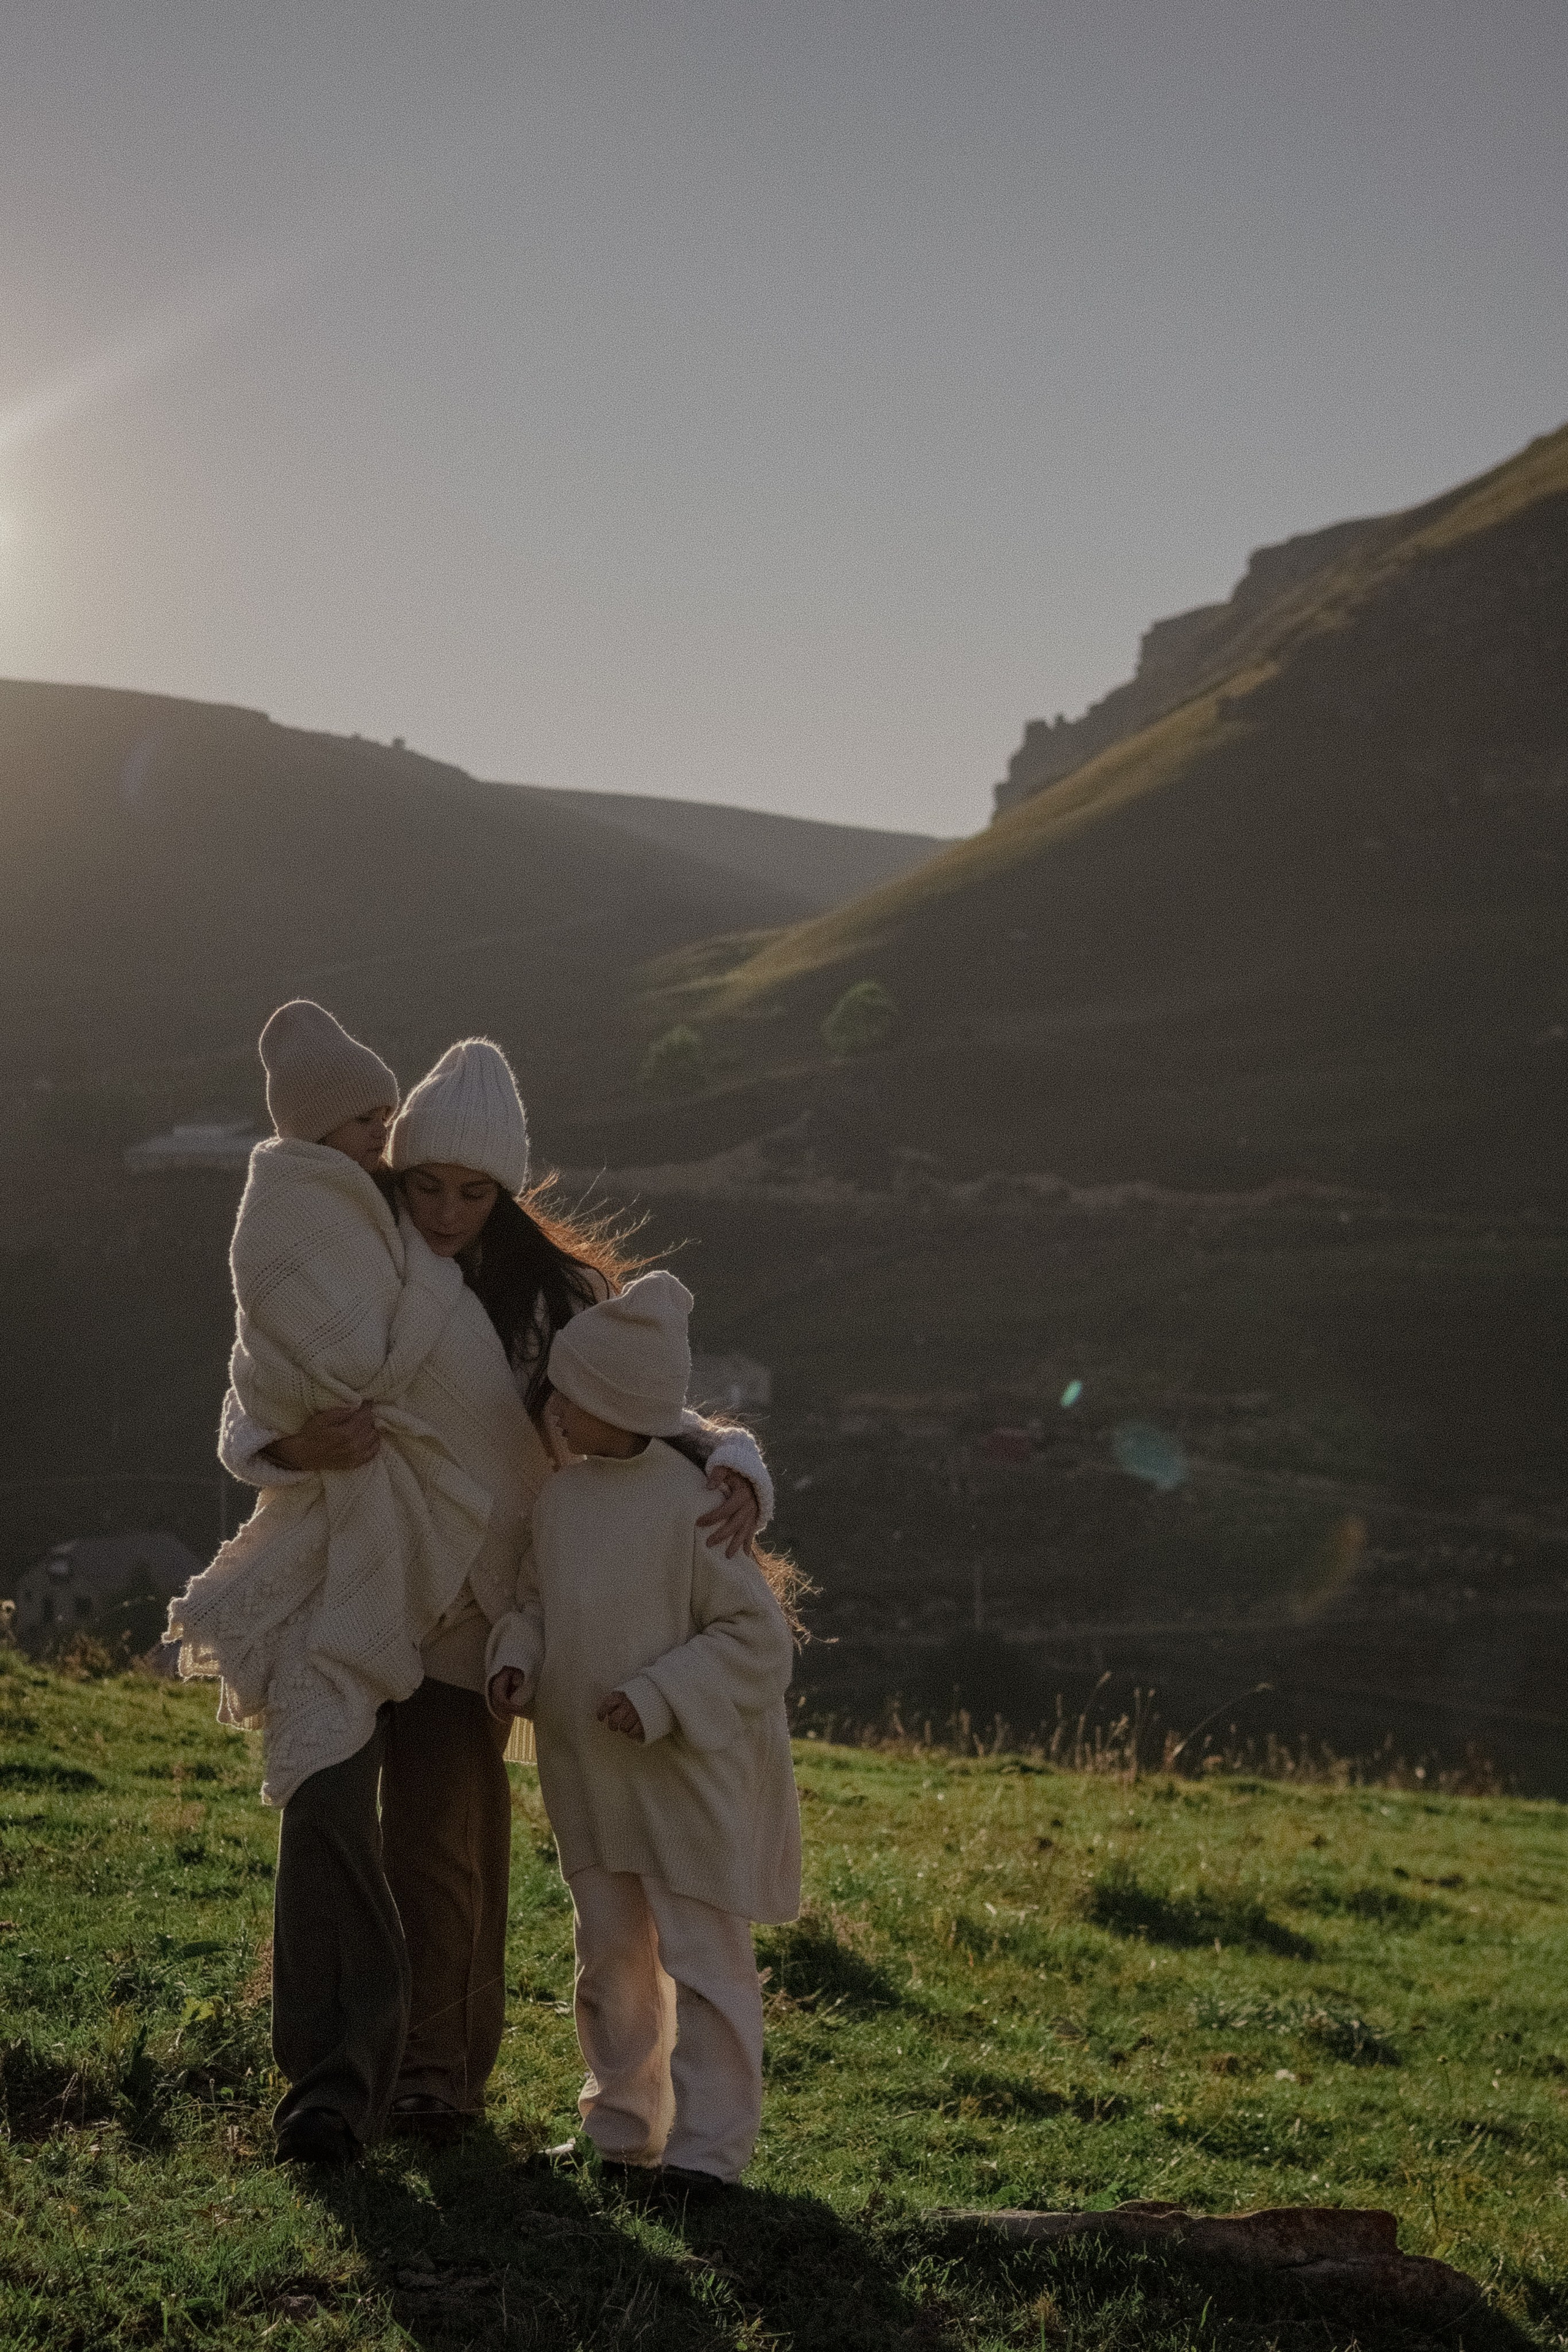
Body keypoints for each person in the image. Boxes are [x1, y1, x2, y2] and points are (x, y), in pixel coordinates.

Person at [198, 1013, 771, 2163]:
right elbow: (252, 1400)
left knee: (446, 1835)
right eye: (426, 1184)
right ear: (393, 1168)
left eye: (472, 1192)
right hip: (355, 1573)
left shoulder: (550, 1300)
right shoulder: (351, 1253)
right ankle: (330, 2075)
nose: (447, 1212)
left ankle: (438, 2078)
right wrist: (298, 1451)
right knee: (326, 1814)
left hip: (487, 1599)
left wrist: (737, 1457)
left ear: (504, 1194)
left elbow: (652, 1409)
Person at [487, 1270, 801, 2197]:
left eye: (568, 1398)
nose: (552, 1413)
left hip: (682, 1787)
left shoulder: (695, 1505)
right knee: (611, 1961)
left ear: (612, 1404)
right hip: (592, 1783)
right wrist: (517, 1658)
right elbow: (537, 1604)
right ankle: (624, 2135)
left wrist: (659, 1697)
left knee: (706, 1966)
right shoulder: (561, 1502)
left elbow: (757, 1640)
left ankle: (709, 2157)